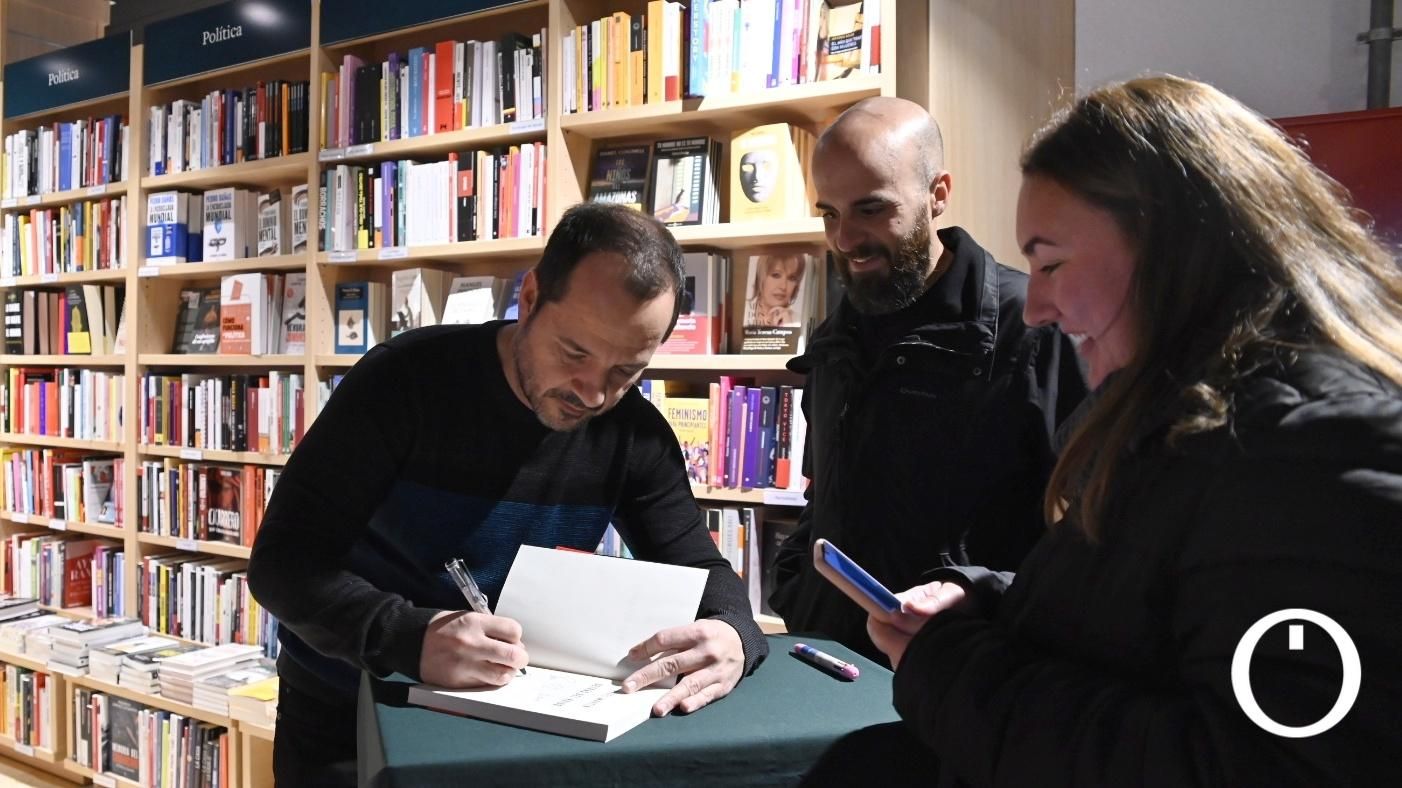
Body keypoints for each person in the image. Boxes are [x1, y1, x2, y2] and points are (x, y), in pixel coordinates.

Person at [847, 75, 1402, 784]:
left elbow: (1251, 761)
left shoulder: (1317, 452)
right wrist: (987, 601)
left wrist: (953, 666)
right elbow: (1162, 610)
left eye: (1050, 262)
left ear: (1172, 248)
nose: (1038, 307)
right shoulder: (1192, 416)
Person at [247, 202, 768, 786]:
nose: (594, 394)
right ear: (530, 298)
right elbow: (283, 562)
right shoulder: (404, 382)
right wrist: (407, 637)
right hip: (352, 709)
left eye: (627, 371)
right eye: (575, 353)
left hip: (517, 724)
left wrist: (734, 635)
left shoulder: (632, 433)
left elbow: (700, 567)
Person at [769, 96, 1088, 663]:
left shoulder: (1035, 329)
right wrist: (797, 584)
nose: (845, 239)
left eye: (871, 209)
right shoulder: (836, 336)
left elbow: (1092, 539)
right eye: (830, 213)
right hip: (831, 665)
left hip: (974, 675)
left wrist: (973, 597)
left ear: (938, 194)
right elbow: (823, 498)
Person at [744, 253, 807, 327]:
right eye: (776, 275)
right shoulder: (742, 313)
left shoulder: (799, 322)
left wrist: (788, 329)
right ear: (761, 277)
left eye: (791, 278)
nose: (783, 286)